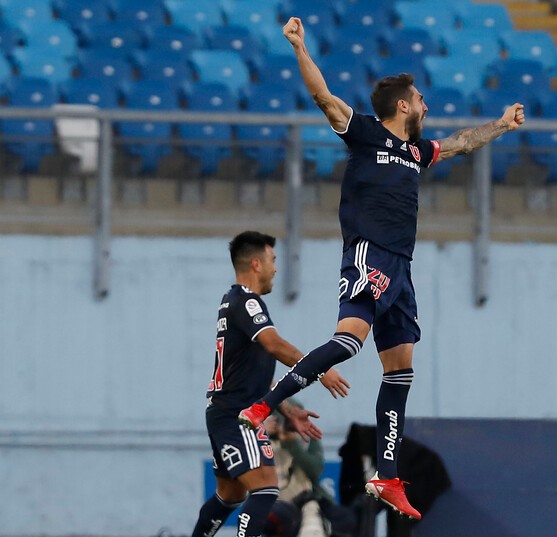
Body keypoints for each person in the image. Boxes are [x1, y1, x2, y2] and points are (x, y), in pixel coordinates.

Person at [237, 16, 526, 521]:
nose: (426, 106)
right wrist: (300, 46)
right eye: (421, 100)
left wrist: (500, 125)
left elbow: (459, 143)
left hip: (402, 268)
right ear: (403, 105)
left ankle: (387, 475)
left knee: (400, 368)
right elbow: (324, 97)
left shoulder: (416, 152)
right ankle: (263, 406)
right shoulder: (365, 134)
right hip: (369, 253)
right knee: (349, 341)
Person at [191, 231, 351, 537]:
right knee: (265, 487)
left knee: (231, 494)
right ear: (256, 264)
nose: (276, 268)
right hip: (238, 414)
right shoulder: (247, 302)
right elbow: (275, 344)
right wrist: (319, 368)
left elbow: (254, 374)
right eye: (272, 260)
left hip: (224, 411)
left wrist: (287, 410)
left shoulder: (231, 302)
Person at [263, 399, 357, 537]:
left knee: (345, 518)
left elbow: (315, 470)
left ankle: (320, 524)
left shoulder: (307, 437)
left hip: (306, 498)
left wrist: (292, 445)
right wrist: (260, 434)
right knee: (279, 518)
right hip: (277, 502)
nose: (292, 424)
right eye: (288, 419)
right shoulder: (259, 439)